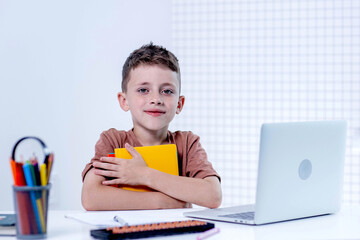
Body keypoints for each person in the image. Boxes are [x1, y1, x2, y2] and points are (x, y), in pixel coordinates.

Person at [81, 43, 222, 210]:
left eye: (167, 91)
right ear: (124, 101)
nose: (156, 99)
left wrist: (144, 174)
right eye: (143, 90)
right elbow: (91, 197)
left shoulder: (187, 143)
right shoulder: (113, 140)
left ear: (179, 104)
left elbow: (213, 196)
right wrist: (162, 202)